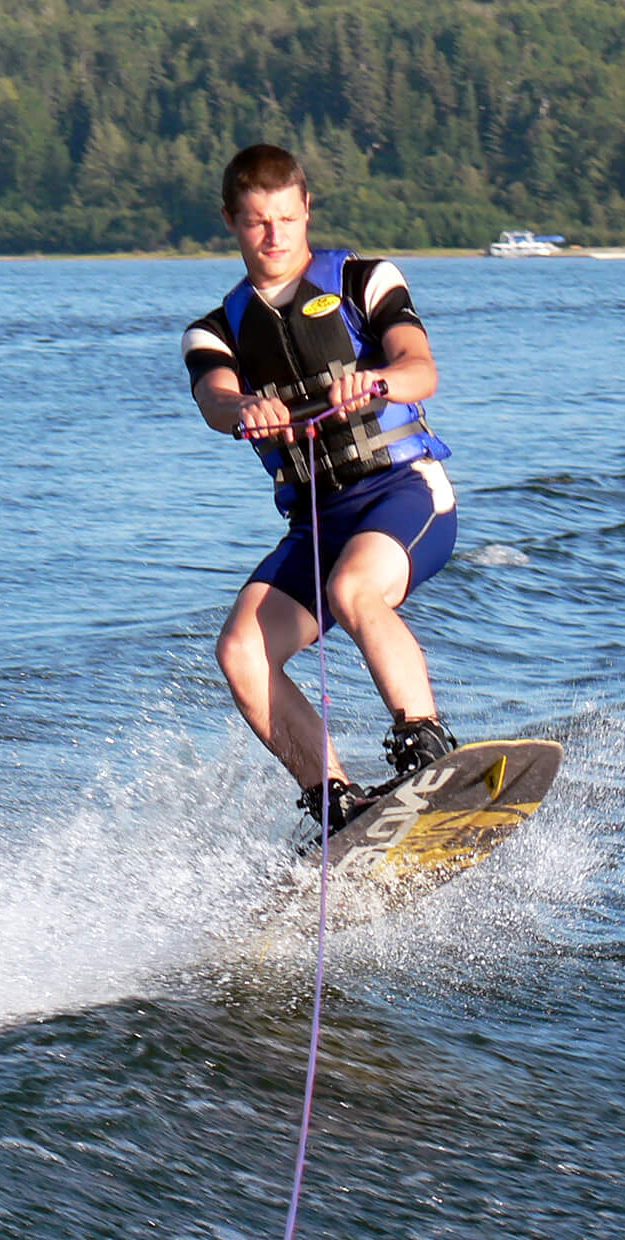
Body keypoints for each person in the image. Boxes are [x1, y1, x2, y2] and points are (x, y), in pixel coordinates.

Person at [183, 143, 460, 834]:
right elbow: (215, 401)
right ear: (231, 222)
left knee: (353, 592)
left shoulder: (365, 280)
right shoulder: (215, 331)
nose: (272, 235)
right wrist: (244, 408)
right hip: (318, 525)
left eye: (284, 217)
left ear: (306, 208)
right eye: (254, 221)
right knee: (241, 650)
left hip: (403, 493)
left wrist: (376, 382)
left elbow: (420, 368)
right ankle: (337, 802)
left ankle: (426, 742)